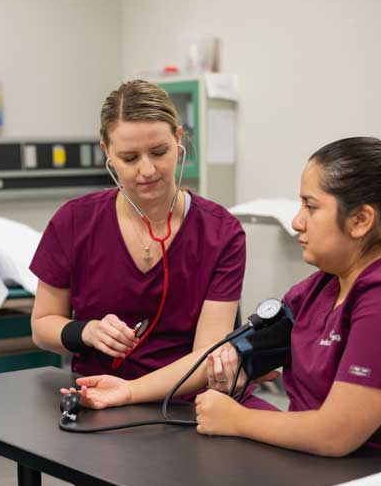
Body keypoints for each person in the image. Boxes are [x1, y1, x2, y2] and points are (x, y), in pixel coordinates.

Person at [64, 137, 381, 473]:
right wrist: (129, 391)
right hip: (330, 469)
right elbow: (224, 356)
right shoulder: (322, 287)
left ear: (360, 220)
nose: (298, 221)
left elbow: (335, 434)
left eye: (310, 206)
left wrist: (236, 419)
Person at [30, 79, 246, 384]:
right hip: (95, 394)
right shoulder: (74, 222)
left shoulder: (221, 233)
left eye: (159, 152)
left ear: (179, 138)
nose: (147, 170)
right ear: (107, 152)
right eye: (129, 158)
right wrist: (87, 332)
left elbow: (206, 356)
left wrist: (129, 392)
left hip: (186, 400)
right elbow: (42, 326)